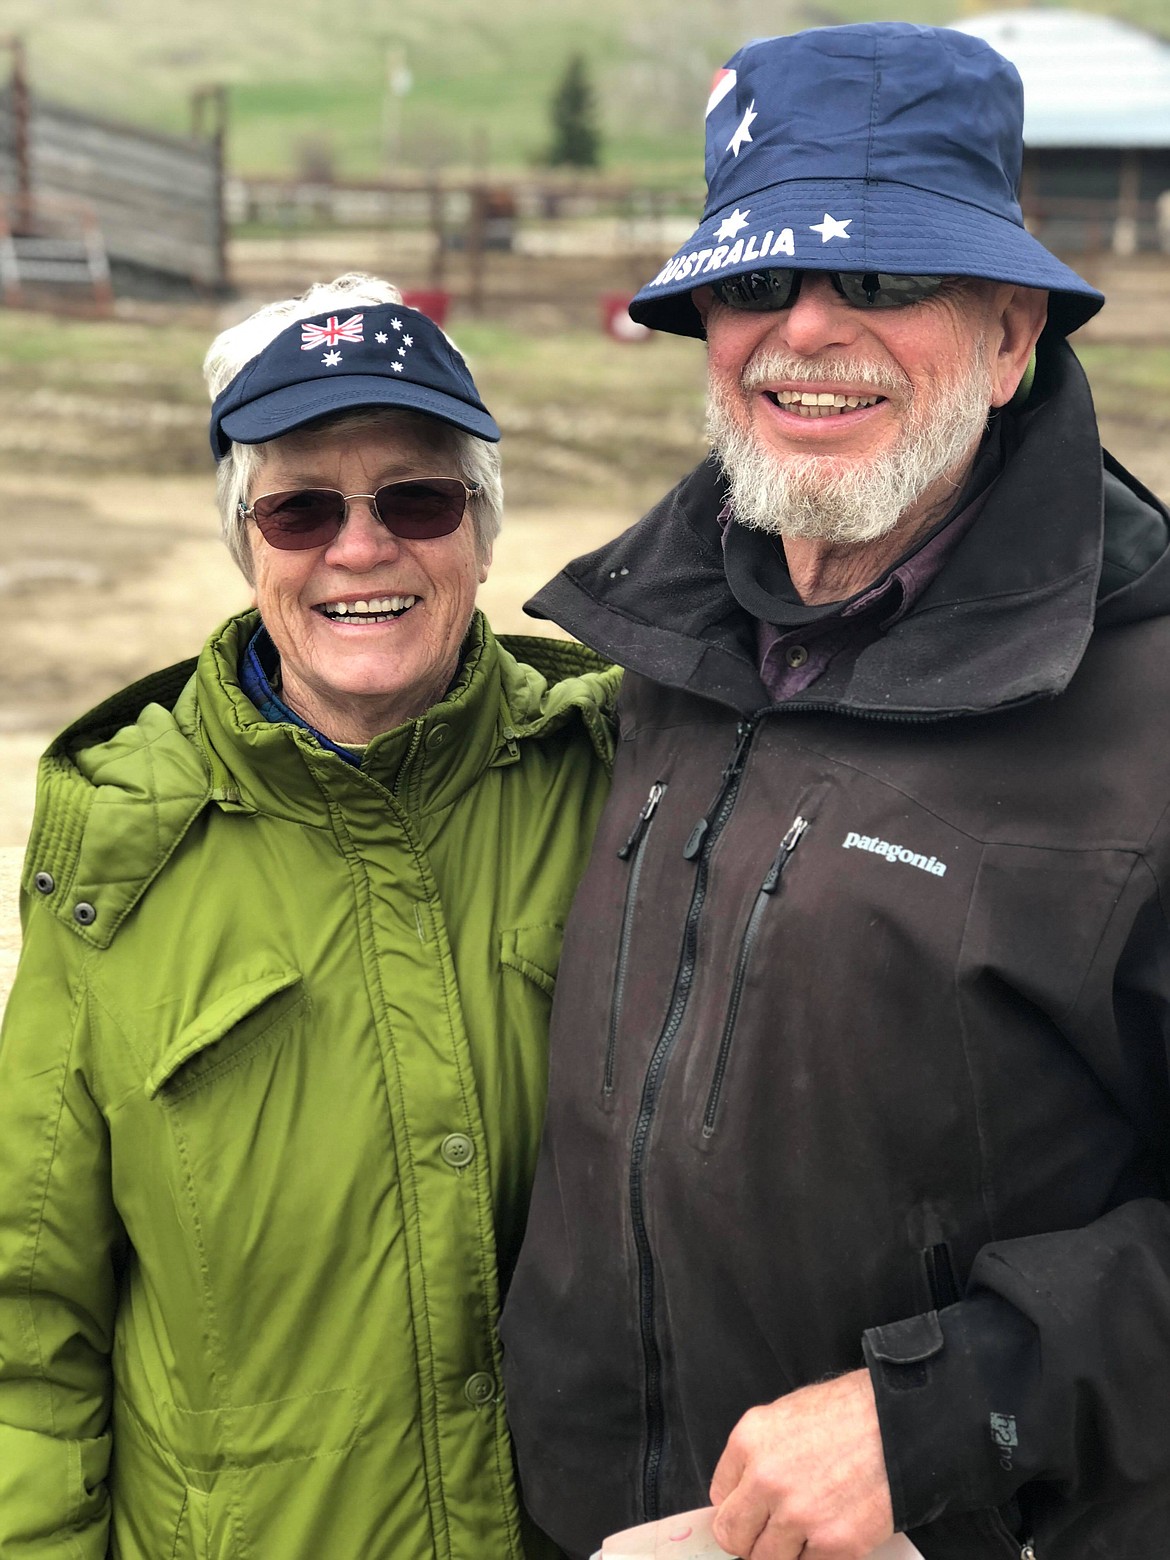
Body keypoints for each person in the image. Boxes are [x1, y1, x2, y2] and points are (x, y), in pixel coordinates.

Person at [500, 23, 1170, 1560]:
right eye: (752, 284)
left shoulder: (1140, 706)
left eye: (879, 281)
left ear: (1011, 334)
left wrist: (952, 1414)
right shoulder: (657, 648)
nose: (804, 329)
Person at [0, 272, 617, 1557]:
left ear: (483, 534)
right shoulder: (120, 851)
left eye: (417, 497)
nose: (360, 545)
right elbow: (28, 1332)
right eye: (299, 508)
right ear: (247, 545)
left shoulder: (618, 780)